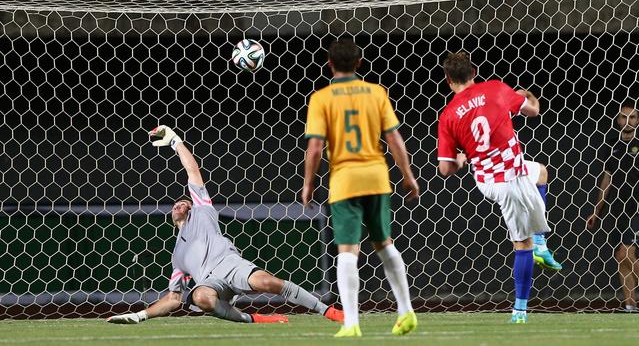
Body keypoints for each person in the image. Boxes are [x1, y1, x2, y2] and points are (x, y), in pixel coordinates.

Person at [107, 126, 344, 324]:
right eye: (176, 204)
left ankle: (329, 312)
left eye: (184, 203)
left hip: (230, 265)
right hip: (211, 283)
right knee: (200, 298)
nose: (179, 205)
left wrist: (175, 143)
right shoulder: (177, 256)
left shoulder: (203, 212)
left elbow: (192, 171)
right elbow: (173, 298)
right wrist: (139, 315)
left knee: (267, 283)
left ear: (193, 207)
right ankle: (255, 319)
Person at [302, 39, 419, 337]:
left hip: (345, 181)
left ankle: (352, 323)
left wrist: (308, 184)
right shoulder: (376, 92)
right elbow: (394, 139)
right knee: (385, 243)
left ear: (329, 64)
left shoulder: (321, 98)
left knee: (347, 250)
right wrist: (408, 175)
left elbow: (314, 148)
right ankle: (406, 312)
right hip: (377, 177)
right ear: (359, 63)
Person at [436, 52, 553, 324]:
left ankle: (540, 242)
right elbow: (533, 110)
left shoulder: (449, 114)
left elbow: (445, 169)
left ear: (448, 79)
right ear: (474, 71)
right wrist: (527, 94)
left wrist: (462, 159)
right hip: (504, 181)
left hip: (492, 177)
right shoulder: (497, 88)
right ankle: (520, 312)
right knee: (521, 245)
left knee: (541, 172)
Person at [586, 102, 639, 311]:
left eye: (632, 117)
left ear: (638, 120)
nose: (628, 121)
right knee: (619, 257)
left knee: (626, 254)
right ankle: (630, 304)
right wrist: (597, 210)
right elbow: (607, 179)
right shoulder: (612, 145)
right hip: (618, 206)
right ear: (618, 120)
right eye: (624, 117)